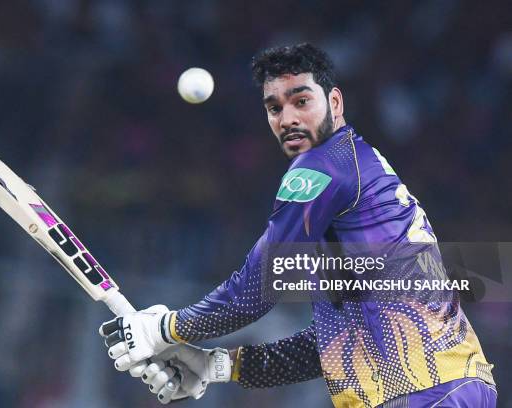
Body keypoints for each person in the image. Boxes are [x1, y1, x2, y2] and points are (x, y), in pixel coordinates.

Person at [99, 43, 497, 407]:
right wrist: (218, 366)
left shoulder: (322, 167)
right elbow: (336, 343)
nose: (288, 118)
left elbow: (254, 289)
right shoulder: (357, 175)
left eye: (301, 101)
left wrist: (165, 328)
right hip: (453, 387)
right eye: (274, 108)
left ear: (335, 102)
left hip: (425, 395)